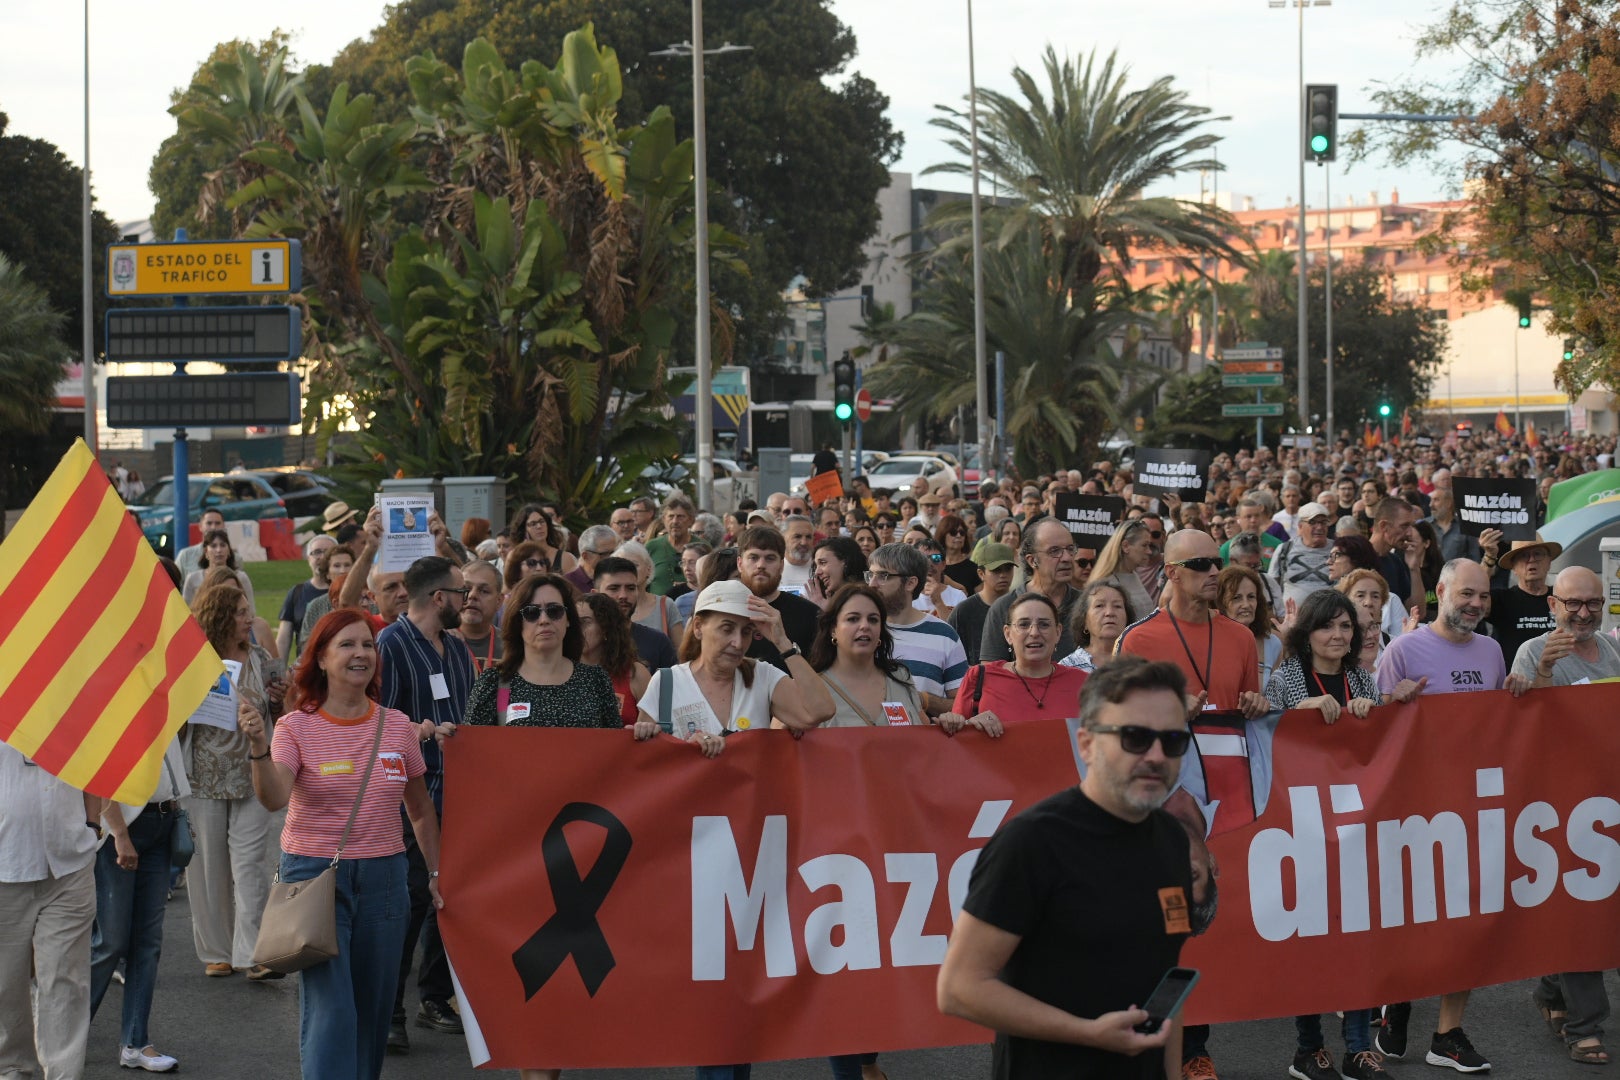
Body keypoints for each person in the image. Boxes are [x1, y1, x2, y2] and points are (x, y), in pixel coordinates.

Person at [937, 656, 1199, 1080]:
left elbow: (1167, 987)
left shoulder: (1172, 839)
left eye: (1172, 740)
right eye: (1134, 737)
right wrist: (1089, 1033)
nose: (1156, 755)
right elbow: (960, 989)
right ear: (1087, 744)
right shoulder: (1032, 843)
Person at [240, 608, 443, 1080]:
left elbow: (419, 810)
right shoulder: (295, 728)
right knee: (333, 1011)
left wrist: (434, 874)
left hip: (387, 880)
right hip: (315, 878)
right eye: (347, 645)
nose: (361, 654)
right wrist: (257, 748)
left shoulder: (397, 726)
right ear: (322, 660)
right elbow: (274, 798)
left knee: (374, 1010)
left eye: (368, 645)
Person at [1116, 529, 1265, 1080]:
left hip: (1221, 806)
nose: (1214, 572)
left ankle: (1196, 1047)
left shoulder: (1240, 638)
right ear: (1172, 572)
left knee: (1208, 930)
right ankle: (1149, 1043)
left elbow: (1254, 712)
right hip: (1161, 804)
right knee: (1157, 928)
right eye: (1201, 563)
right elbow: (1119, 724)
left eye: (1217, 562)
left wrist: (1256, 701)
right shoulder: (1138, 640)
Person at [1372, 559, 1531, 1074]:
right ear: (1440, 591)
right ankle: (1397, 1003)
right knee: (1412, 920)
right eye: (1466, 594)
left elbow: (1492, 727)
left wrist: (1517, 693)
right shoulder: (1402, 649)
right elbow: (1368, 734)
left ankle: (1448, 1034)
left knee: (1466, 923)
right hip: (1414, 813)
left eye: (1483, 597)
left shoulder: (1490, 651)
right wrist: (1390, 702)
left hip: (1472, 811)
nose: (1476, 605)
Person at [1260, 589, 1388, 1080]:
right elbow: (1264, 738)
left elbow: (1383, 747)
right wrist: (1300, 712)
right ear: (1306, 632)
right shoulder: (1286, 678)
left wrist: (1378, 712)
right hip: (1304, 826)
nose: (1338, 635)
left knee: (1356, 937)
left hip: (1356, 825)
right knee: (1311, 939)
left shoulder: (1361, 679)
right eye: (1327, 626)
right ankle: (1307, 1048)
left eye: (1346, 627)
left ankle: (1359, 1047)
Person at [1511, 565, 1620, 1066]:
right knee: (1582, 913)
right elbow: (1524, 729)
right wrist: (1545, 675)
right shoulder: (1534, 653)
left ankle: (1553, 988)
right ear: (1551, 604)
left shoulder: (1615, 651)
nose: (1583, 613)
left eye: (1592, 603)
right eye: (1573, 603)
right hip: (1563, 808)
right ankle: (1585, 1027)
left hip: (1609, 799)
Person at [376, 556, 473, 1051]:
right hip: (409, 804)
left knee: (446, 901)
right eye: (461, 592)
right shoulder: (390, 646)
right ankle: (388, 1008)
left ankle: (434, 997)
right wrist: (413, 731)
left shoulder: (455, 649)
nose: (468, 600)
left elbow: (471, 712)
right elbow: (377, 723)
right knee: (412, 903)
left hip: (457, 795)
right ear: (439, 598)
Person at [186, 583, 282, 980]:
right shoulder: (192, 660)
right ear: (222, 617)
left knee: (251, 864)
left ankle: (253, 951)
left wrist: (278, 697)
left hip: (253, 769)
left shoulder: (259, 656)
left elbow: (279, 707)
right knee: (208, 866)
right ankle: (217, 949)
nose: (249, 618)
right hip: (204, 774)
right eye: (241, 612)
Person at [89, 736, 190, 1073]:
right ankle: (62, 1033)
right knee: (111, 941)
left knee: (147, 942)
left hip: (162, 820)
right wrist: (118, 833)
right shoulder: (118, 694)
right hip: (122, 827)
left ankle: (135, 1042)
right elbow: (98, 769)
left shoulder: (168, 696)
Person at [0, 742, 100, 1080]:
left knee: (65, 980)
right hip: (5, 865)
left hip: (70, 860)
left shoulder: (71, 698)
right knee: (5, 983)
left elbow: (93, 762)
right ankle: (13, 1068)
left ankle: (64, 1074)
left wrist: (93, 825)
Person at [633, 579, 834, 742]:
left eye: (746, 632)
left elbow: (820, 711)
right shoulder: (666, 682)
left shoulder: (762, 676)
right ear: (698, 627)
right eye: (727, 629)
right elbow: (649, 761)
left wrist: (783, 644)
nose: (738, 643)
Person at [460, 573, 619, 730]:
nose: (544, 620)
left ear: (569, 618)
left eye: (554, 610)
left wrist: (639, 734)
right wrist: (449, 737)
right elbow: (472, 747)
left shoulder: (595, 680)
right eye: (531, 612)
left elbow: (615, 746)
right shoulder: (493, 682)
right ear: (517, 622)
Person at [809, 584, 943, 730]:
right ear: (833, 630)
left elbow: (925, 739)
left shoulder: (900, 677)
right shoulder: (812, 687)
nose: (865, 626)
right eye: (853, 619)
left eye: (873, 620)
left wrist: (946, 725)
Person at [865, 543, 969, 721]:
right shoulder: (860, 631)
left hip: (925, 743)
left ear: (911, 583)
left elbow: (963, 705)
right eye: (870, 575)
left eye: (883, 576)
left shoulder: (944, 635)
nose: (872, 584)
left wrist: (923, 700)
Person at [956, 592, 1088, 725]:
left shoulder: (1083, 683)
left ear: (1058, 632)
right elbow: (956, 738)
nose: (1034, 632)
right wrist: (970, 724)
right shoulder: (979, 677)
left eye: (1044, 625)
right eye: (1024, 624)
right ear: (1008, 634)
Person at [980, 519, 1083, 664]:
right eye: (1055, 551)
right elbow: (991, 674)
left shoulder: (1087, 605)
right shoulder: (1004, 607)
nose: (1066, 558)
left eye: (1070, 549)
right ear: (1032, 560)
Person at [736, 525, 822, 669]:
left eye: (770, 558)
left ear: (781, 565)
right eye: (753, 557)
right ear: (740, 563)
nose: (761, 565)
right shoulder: (723, 609)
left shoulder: (810, 614)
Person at [595, 555, 679, 673]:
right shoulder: (583, 642)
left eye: (630, 588)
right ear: (595, 593)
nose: (623, 595)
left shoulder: (657, 642)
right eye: (614, 588)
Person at [579, 592, 651, 725]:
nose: (576, 629)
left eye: (584, 622)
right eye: (572, 623)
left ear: (605, 628)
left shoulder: (636, 674)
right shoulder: (559, 673)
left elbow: (656, 730)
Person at [1490, 536, 1560, 665]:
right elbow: (1472, 594)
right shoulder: (1501, 599)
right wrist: (1488, 559)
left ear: (1549, 562)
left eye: (1537, 554)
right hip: (1514, 681)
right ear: (1514, 567)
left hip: (1558, 680)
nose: (1531, 560)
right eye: (1523, 556)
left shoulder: (1562, 598)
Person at [951, 542, 1017, 668]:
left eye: (1008, 568)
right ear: (981, 574)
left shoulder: (1023, 606)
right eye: (996, 570)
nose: (1003, 575)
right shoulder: (964, 611)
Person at [1217, 565, 1282, 688]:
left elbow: (1277, 699)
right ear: (1220, 603)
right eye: (1236, 598)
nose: (1246, 605)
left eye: (1251, 597)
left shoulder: (1272, 644)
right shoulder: (1209, 640)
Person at [613, 541, 686, 647]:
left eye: (634, 565)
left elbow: (681, 652)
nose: (628, 571)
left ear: (649, 569)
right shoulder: (609, 606)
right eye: (621, 566)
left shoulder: (665, 605)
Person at [279, 534, 337, 659]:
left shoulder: (347, 593)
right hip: (307, 666)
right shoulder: (296, 592)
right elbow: (283, 639)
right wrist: (279, 672)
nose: (321, 557)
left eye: (327, 552)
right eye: (316, 552)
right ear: (308, 559)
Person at [1090, 519, 1158, 624]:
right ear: (1125, 546)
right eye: (1144, 545)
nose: (1149, 551)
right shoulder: (1107, 583)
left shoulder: (1133, 575)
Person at [1267, 501, 1334, 608]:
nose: (1319, 527)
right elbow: (1272, 585)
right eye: (1313, 522)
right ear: (1300, 526)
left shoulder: (1337, 550)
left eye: (1323, 522)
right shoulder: (1285, 549)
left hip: (1329, 615)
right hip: (1292, 618)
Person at [1060, 579, 1130, 673]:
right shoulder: (1067, 668)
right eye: (1099, 606)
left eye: (1117, 606)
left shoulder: (1141, 662)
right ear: (1084, 621)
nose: (1109, 612)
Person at [180, 529, 255, 608]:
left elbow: (250, 610)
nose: (219, 550)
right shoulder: (193, 578)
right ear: (206, 552)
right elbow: (185, 610)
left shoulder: (241, 577)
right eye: (213, 546)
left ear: (229, 551)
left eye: (222, 545)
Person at [457, 559, 505, 675]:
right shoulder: (438, 642)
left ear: (499, 601)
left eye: (484, 591)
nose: (472, 595)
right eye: (466, 589)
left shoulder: (511, 647)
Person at [646, 494, 696, 595]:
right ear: (664, 520)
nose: (675, 521)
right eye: (671, 516)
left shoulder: (701, 546)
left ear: (690, 520)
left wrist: (689, 587)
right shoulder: (651, 547)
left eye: (680, 517)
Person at [509, 504, 577, 575]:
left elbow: (573, 585)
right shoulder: (514, 556)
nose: (539, 526)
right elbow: (508, 585)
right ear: (524, 529)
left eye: (542, 521)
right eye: (533, 524)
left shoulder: (565, 558)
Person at [805, 536, 868, 610]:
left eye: (823, 563)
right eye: (816, 566)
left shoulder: (866, 598)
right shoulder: (826, 600)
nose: (817, 572)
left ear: (846, 562)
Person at [1219, 497, 1282, 571]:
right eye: (1248, 517)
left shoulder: (1277, 545)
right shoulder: (1226, 548)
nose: (1253, 520)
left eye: (1257, 516)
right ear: (1238, 519)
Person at [565, 524, 621, 595]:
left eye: (615, 552)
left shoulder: (622, 577)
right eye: (605, 554)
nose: (612, 557)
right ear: (586, 556)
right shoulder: (568, 584)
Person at [175, 507, 226, 579]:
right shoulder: (185, 555)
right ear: (200, 526)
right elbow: (174, 584)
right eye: (209, 523)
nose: (213, 527)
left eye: (217, 523)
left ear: (223, 526)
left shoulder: (235, 558)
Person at [937, 514, 979, 592]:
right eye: (953, 532)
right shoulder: (935, 566)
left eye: (962, 532)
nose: (958, 535)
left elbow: (980, 600)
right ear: (943, 534)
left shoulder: (973, 568)